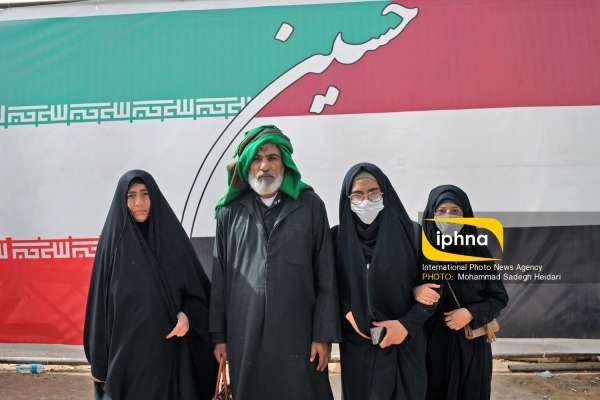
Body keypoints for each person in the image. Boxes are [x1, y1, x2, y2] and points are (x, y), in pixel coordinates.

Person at [209, 125, 340, 400]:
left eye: (272, 158)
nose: (264, 166)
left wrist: (323, 336)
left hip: (300, 335)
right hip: (245, 335)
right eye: (256, 159)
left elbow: (326, 276)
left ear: (285, 163)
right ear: (247, 165)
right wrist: (219, 336)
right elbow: (221, 278)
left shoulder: (310, 205)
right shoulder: (229, 212)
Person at [84, 170, 217, 400]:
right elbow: (99, 311)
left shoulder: (173, 241)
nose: (139, 202)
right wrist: (100, 365)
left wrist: (187, 315)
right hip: (127, 367)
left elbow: (200, 295)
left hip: (173, 363)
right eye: (131, 196)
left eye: (145, 194)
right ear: (122, 201)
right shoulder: (111, 248)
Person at [332, 163, 435, 400]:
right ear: (347, 199)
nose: (365, 201)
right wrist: (347, 312)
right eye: (357, 195)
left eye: (373, 193)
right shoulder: (336, 239)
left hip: (405, 346)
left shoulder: (413, 234)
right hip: (359, 350)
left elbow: (434, 289)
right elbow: (328, 288)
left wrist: (405, 325)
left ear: (384, 193)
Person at [414, 184, 508, 400]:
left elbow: (499, 297)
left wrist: (470, 312)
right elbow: (400, 288)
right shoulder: (419, 252)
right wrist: (415, 291)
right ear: (431, 214)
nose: (448, 216)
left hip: (471, 346)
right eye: (441, 211)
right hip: (430, 347)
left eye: (455, 211)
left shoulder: (478, 252)